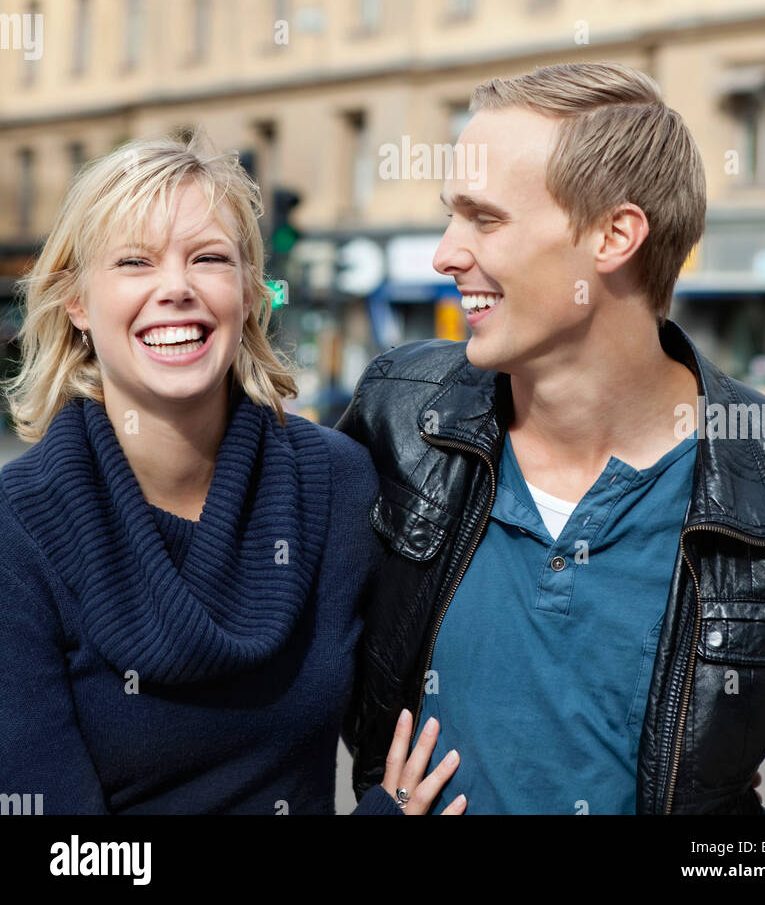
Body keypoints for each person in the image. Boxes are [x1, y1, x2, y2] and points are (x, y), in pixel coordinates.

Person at [337, 61, 765, 814]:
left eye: (484, 218)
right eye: (452, 216)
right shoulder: (397, 414)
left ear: (614, 235)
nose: (445, 253)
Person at [0, 132, 464, 816]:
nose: (176, 289)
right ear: (75, 303)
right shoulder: (18, 529)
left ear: (250, 291)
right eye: (134, 262)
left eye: (209, 258)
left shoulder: (338, 485)